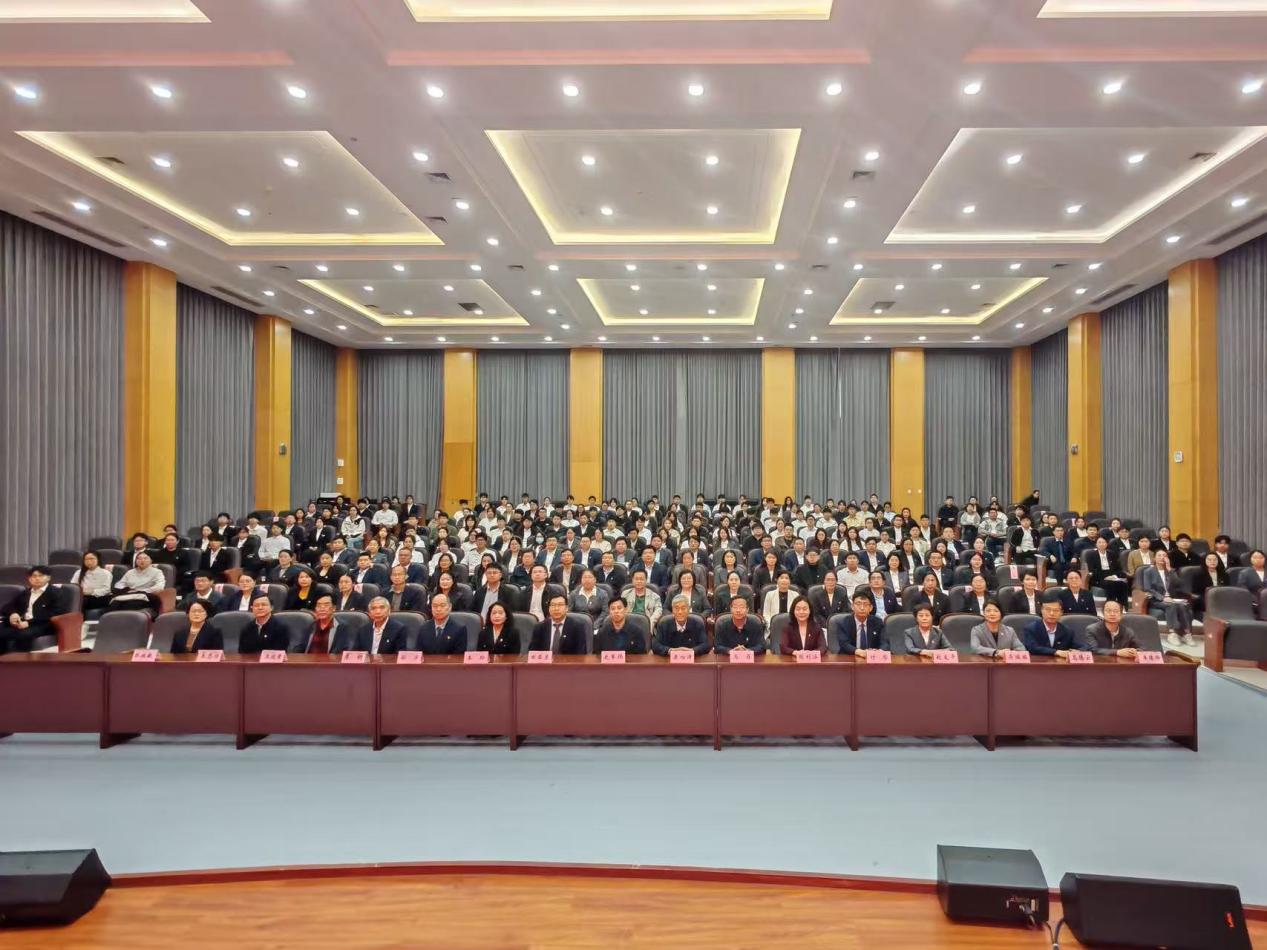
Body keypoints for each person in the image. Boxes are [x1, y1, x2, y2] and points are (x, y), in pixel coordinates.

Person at [0, 566, 63, 654]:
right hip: (22, 622)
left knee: (23, 634)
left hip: (43, 624)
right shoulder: (26, 592)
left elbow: (55, 613)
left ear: (48, 578)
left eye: (41, 576)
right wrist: (13, 614)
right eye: (34, 576)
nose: (37, 578)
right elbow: (7, 607)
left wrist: (29, 623)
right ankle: (3, 657)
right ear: (29, 579)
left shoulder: (55, 593)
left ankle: (19, 659)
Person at [1138, 550, 1194, 646]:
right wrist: (1162, 598)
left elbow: (1178, 584)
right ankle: (1172, 633)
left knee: (1182, 606)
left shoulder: (1171, 571)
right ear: (1154, 558)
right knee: (1170, 605)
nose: (1162, 558)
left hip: (1172, 598)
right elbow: (1147, 588)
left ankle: (1186, 633)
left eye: (1164, 556)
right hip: (1156, 599)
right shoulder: (1148, 572)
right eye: (1159, 555)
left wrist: (1169, 569)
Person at [1021, 598, 1088, 658]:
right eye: (1048, 610)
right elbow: (1032, 648)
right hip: (1038, 665)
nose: (1052, 613)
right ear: (1041, 611)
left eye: (1056, 610)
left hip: (1060, 666)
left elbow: (1084, 646)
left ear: (1061, 613)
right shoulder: (1031, 629)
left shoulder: (1067, 631)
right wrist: (1056, 652)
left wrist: (1079, 651)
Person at [838, 590, 888, 655]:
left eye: (865, 604)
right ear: (852, 606)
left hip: (872, 658)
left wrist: (880, 651)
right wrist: (859, 652)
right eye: (858, 604)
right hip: (850, 657)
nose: (862, 608)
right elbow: (844, 644)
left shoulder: (878, 622)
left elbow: (885, 642)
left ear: (871, 608)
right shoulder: (844, 622)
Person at [1086, 535, 1131, 605]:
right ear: (1096, 544)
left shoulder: (1112, 554)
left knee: (1123, 584)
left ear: (1107, 544)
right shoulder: (1091, 555)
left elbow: (1118, 568)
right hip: (1098, 578)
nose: (1101, 544)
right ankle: (1110, 605)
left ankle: (1123, 606)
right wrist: (1106, 577)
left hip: (1112, 576)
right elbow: (1092, 570)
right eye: (1099, 542)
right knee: (1111, 584)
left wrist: (1114, 576)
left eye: (1103, 542)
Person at [1191, 551, 1229, 616]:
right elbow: (1196, 592)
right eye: (1209, 560)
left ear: (1218, 561)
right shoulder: (1199, 575)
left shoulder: (1224, 575)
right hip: (1205, 597)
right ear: (1205, 561)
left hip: (1221, 596)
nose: (1212, 562)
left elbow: (1227, 588)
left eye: (1215, 560)